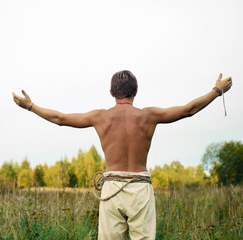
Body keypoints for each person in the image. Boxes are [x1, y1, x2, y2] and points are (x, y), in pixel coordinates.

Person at [12, 71, 232, 240]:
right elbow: (188, 109)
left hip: (112, 190)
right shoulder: (149, 116)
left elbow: (60, 118)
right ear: (136, 92)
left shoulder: (100, 117)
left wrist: (30, 106)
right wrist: (216, 90)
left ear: (111, 93)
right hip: (140, 190)